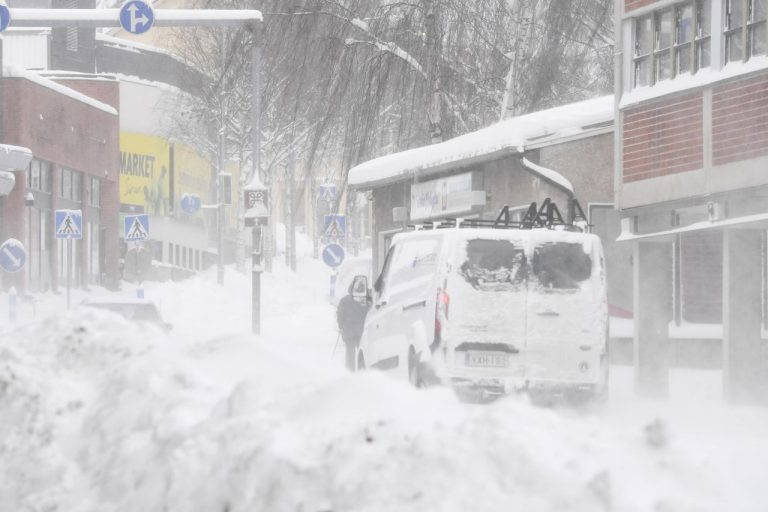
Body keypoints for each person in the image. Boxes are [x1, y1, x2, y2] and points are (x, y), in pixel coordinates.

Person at [336, 278, 370, 371]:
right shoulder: (366, 301)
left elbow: (340, 315)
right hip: (361, 333)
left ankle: (350, 373)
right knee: (362, 353)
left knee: (350, 354)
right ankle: (362, 372)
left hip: (349, 332)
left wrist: (341, 326)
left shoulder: (344, 300)